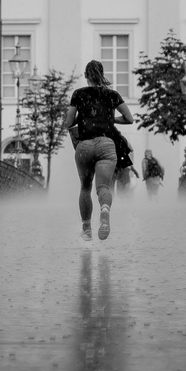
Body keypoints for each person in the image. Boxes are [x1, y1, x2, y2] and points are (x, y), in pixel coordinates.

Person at [63, 59, 133, 240]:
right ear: (102, 74)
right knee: (103, 187)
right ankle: (105, 211)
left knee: (85, 188)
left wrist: (80, 117)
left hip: (84, 146)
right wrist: (110, 120)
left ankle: (86, 230)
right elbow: (129, 118)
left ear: (86, 75)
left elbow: (68, 123)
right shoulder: (112, 95)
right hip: (106, 145)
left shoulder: (78, 94)